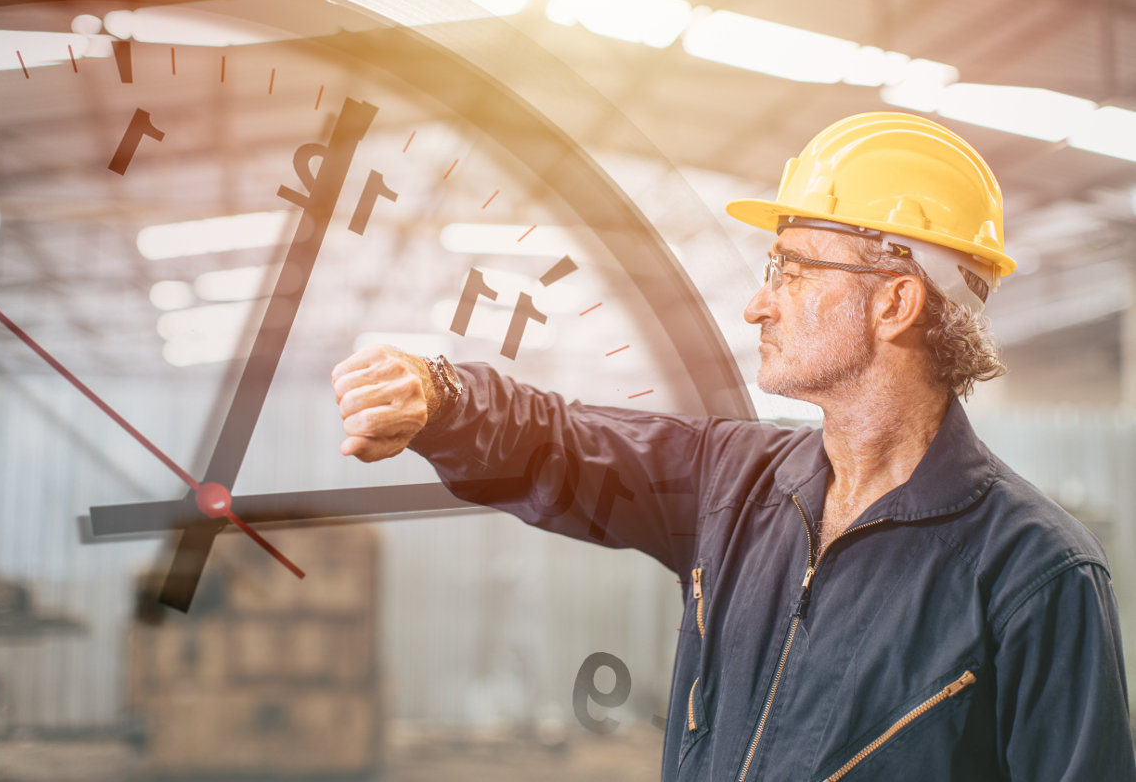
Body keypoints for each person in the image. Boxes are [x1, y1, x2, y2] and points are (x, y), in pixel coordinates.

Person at [330, 112, 1136, 781]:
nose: (758, 304)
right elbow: (567, 446)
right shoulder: (734, 483)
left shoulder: (1036, 575)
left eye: (790, 270)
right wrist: (444, 395)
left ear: (894, 301)